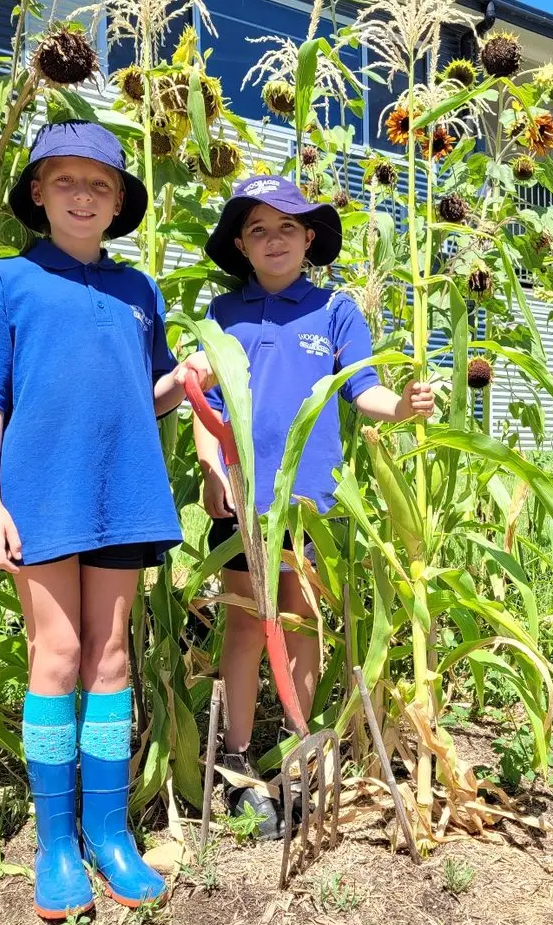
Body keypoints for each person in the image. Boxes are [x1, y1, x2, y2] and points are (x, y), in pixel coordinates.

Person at [0, 120, 213, 919]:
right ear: (37, 192)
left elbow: (147, 391)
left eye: (100, 184)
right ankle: (57, 842)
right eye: (66, 181)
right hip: (42, 494)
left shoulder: (139, 292)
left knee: (112, 658)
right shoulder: (3, 282)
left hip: (122, 492)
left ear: (121, 198)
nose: (83, 195)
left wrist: (187, 379)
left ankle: (109, 833)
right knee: (55, 652)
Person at [193, 174, 434, 838]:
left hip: (311, 503)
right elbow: (203, 399)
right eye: (259, 229)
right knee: (244, 625)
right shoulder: (223, 313)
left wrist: (404, 405)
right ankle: (239, 763)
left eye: (288, 228)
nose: (275, 240)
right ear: (241, 243)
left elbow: (366, 392)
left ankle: (300, 758)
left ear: (309, 240)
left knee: (302, 623)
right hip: (244, 500)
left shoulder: (334, 312)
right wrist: (210, 466)